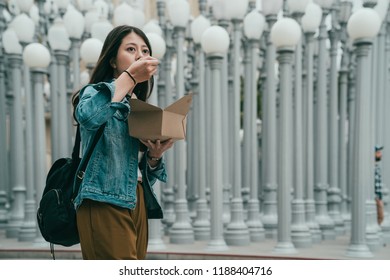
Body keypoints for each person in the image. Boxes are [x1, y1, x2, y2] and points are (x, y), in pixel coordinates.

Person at [71, 25, 174, 260]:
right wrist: (128, 78)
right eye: (131, 49)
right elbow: (88, 116)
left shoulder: (137, 104)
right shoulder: (95, 92)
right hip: (102, 199)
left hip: (135, 200)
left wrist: (154, 156)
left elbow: (134, 167)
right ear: (113, 61)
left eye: (145, 51)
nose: (140, 55)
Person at [374, 145, 384, 226]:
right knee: (380, 216)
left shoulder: (376, 166)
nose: (380, 154)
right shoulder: (372, 167)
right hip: (375, 197)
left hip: (378, 196)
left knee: (380, 216)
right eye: (378, 152)